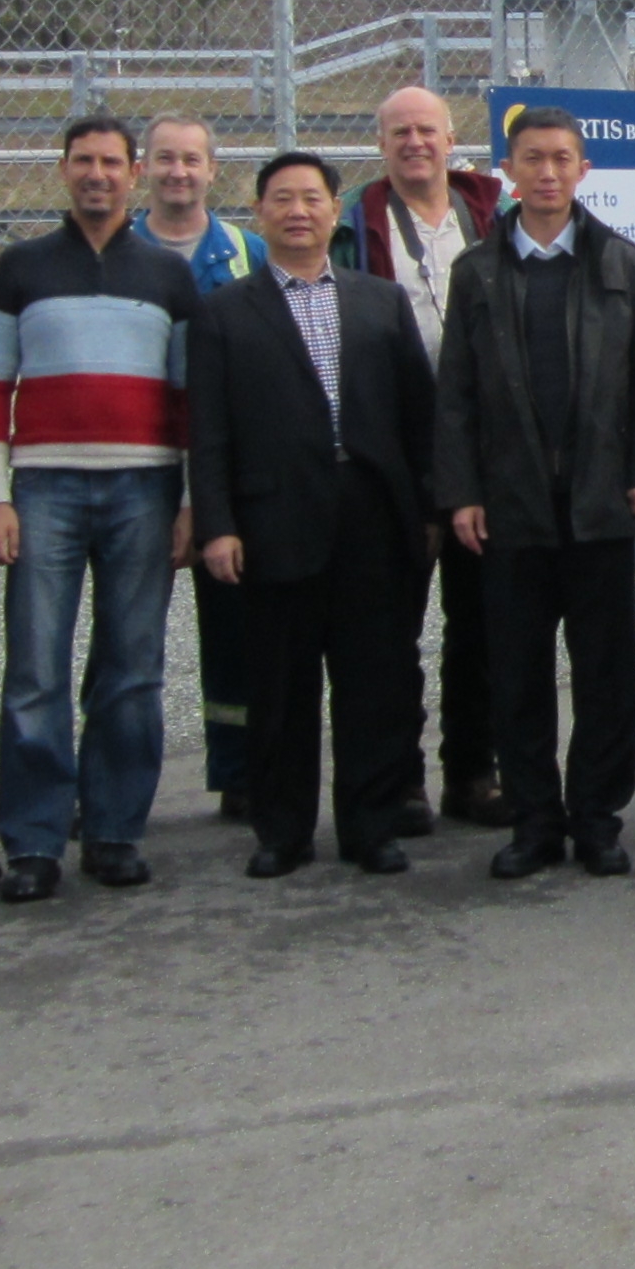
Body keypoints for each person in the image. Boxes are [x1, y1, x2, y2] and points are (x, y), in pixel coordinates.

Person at [434, 107, 635, 880]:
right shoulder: (477, 271)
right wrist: (462, 491)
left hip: (601, 505)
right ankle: (536, 820)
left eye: (561, 159)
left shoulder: (620, 263)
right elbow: (457, 395)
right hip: (512, 511)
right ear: (507, 169)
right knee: (518, 674)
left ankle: (597, 818)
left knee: (606, 675)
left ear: (583, 171)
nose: (546, 172)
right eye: (532, 159)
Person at [189, 151, 437, 876]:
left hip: (371, 518)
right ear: (259, 212)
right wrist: (218, 524)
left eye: (313, 199)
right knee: (281, 687)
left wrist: (424, 509)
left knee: (374, 681)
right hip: (273, 523)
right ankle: (282, 830)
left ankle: (371, 824)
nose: (298, 212)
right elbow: (207, 431)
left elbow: (417, 417)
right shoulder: (225, 313)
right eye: (282, 199)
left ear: (336, 210)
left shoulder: (379, 301)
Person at [0, 114, 200, 903]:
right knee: (35, 670)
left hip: (145, 488)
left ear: (133, 174)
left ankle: (113, 831)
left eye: (111, 162)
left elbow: (188, 398)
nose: (97, 174)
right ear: (62, 170)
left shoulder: (170, 276)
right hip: (45, 490)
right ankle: (34, 841)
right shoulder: (18, 268)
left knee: (132, 671)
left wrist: (190, 503)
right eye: (83, 161)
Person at [337, 81, 506, 826]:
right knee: (386, 631)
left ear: (449, 139)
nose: (414, 143)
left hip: (476, 449)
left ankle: (473, 774)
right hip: (393, 452)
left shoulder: (488, 219)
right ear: (382, 146)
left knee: (479, 627)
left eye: (426, 130)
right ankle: (396, 781)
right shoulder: (358, 227)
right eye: (399, 132)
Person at [138, 115, 263, 821]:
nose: (178, 172)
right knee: (129, 635)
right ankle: (114, 781)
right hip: (138, 461)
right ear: (143, 169)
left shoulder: (245, 252)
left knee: (232, 626)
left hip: (221, 464)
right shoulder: (116, 248)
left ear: (214, 169)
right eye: (164, 159)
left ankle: (237, 768)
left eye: (191, 160)